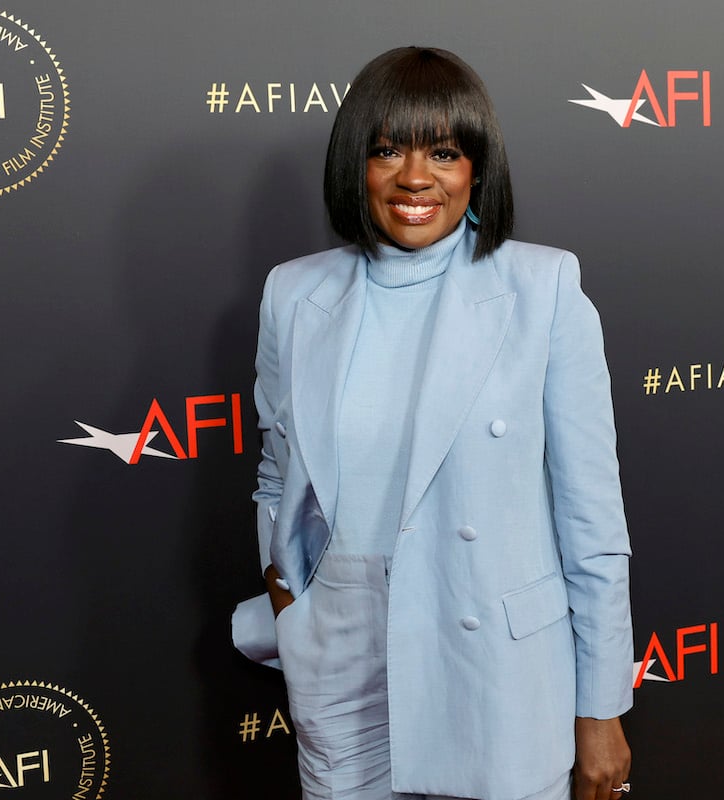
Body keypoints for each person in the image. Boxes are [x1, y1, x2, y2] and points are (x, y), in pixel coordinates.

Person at [232, 46, 633, 800]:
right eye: (387, 150)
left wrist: (600, 707)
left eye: (444, 152)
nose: (416, 178)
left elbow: (592, 516)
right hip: (341, 664)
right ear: (357, 162)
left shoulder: (542, 289)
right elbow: (279, 470)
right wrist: (291, 601)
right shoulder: (293, 294)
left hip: (494, 673)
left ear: (477, 168)